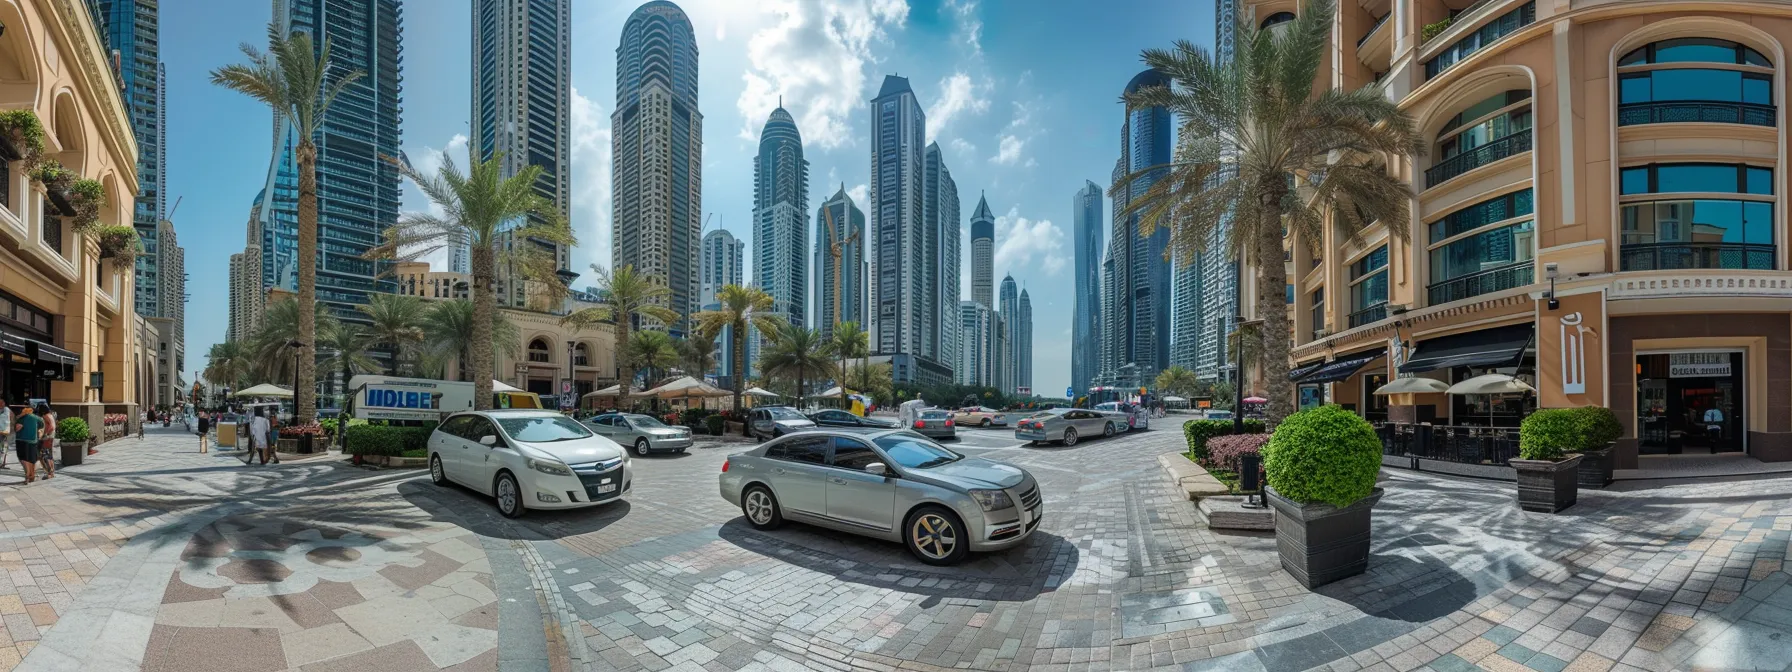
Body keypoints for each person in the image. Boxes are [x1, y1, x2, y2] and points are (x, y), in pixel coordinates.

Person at [13, 405, 40, 483]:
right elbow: (41, 425)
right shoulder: (36, 418)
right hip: (33, 441)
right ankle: (32, 475)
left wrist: (17, 420)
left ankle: (27, 475)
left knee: (24, 459)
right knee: (32, 459)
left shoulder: (22, 418)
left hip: (22, 441)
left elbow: (17, 428)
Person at [34, 404, 54, 479]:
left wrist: (45, 434)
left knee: (45, 455)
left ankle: (49, 473)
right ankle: (51, 472)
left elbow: (52, 426)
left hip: (47, 438)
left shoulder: (46, 416)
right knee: (49, 455)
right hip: (50, 437)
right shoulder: (50, 415)